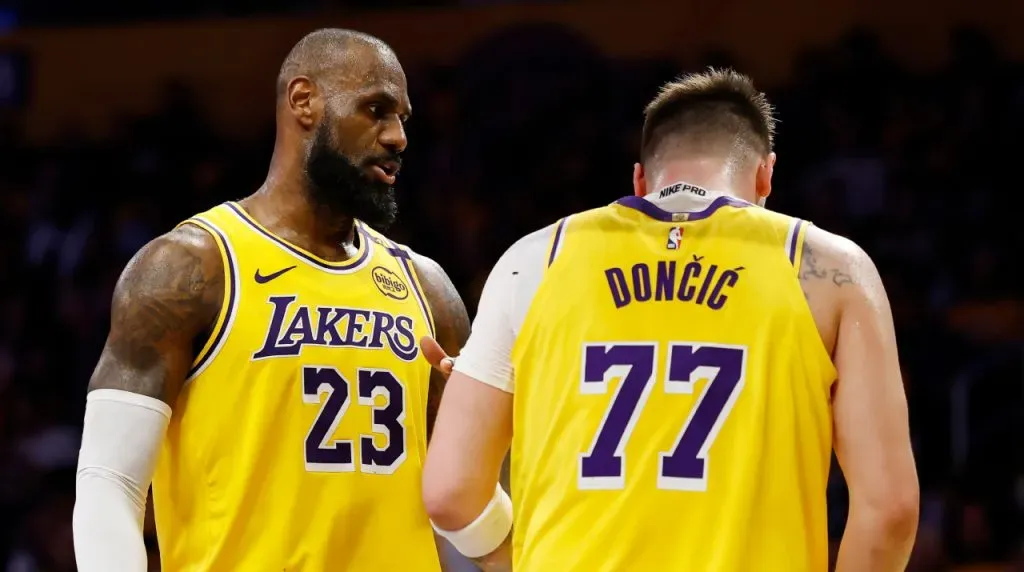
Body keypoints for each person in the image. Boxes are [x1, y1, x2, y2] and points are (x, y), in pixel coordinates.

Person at [420, 69, 919, 571]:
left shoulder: (533, 260)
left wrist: (518, 557)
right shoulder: (829, 269)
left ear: (640, 180)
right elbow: (890, 510)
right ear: (766, 175)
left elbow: (451, 492)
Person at [72, 29, 469, 571]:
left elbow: (471, 495)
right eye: (376, 109)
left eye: (402, 118)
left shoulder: (429, 290)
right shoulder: (191, 268)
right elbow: (108, 484)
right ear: (303, 101)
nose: (397, 136)